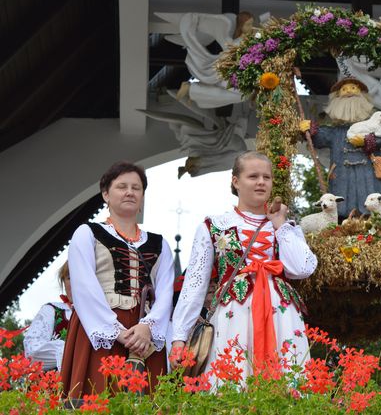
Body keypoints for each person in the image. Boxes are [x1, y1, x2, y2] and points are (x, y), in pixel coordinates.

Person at [171, 151, 317, 383]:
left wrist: (280, 225)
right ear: (236, 181)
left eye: (266, 177)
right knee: (232, 380)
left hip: (280, 316)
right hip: (234, 315)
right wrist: (179, 336)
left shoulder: (284, 227)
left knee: (288, 380)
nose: (261, 182)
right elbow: (194, 285)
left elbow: (302, 268)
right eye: (253, 176)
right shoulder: (215, 225)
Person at [61, 161, 174, 397]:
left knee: (146, 401)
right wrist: (117, 332)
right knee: (98, 395)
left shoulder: (159, 243)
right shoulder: (87, 233)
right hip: (101, 329)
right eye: (122, 186)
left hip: (145, 333)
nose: (130, 192)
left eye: (136, 188)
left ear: (143, 196)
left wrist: (147, 327)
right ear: (106, 194)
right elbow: (84, 288)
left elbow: (165, 292)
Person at [301, 77, 381, 219]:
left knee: (371, 202)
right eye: (344, 89)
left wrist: (367, 140)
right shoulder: (334, 132)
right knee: (341, 203)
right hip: (341, 174)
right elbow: (319, 138)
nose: (348, 91)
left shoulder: (372, 126)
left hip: (368, 172)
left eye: (353, 88)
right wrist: (309, 129)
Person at [23, 262, 73, 371]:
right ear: (63, 282)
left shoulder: (102, 312)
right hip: (57, 385)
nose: (75, 282)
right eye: (69, 278)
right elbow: (32, 352)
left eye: (80, 276)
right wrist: (67, 350)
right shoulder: (52, 310)